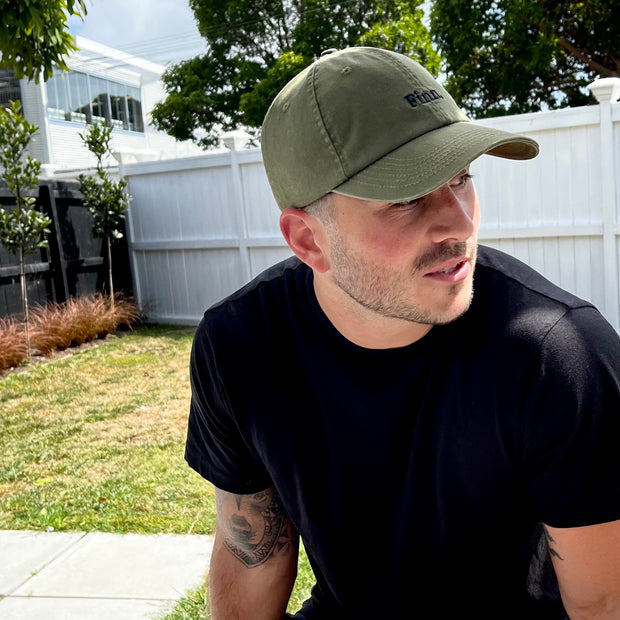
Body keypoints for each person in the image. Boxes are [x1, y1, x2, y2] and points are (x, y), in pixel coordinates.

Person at [185, 47, 620, 619]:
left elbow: (603, 603)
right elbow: (252, 554)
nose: (460, 223)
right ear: (309, 241)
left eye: (462, 178)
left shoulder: (556, 355)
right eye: (407, 199)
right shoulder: (240, 346)